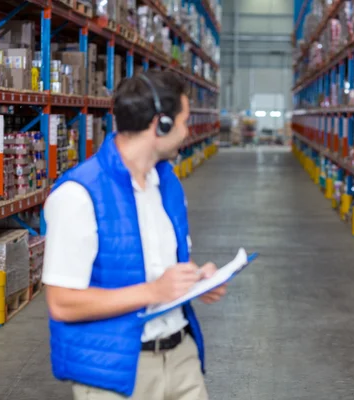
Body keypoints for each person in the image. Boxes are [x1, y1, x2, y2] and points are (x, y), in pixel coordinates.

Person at [42, 70, 227, 400]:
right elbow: (62, 303)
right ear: (161, 125)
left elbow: (160, 264)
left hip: (182, 355)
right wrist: (154, 291)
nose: (187, 132)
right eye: (183, 122)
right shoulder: (78, 195)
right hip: (115, 369)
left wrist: (196, 278)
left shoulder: (167, 185)